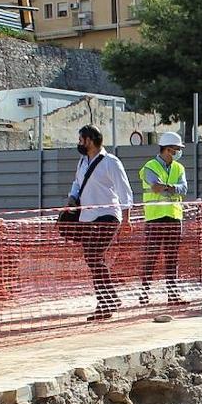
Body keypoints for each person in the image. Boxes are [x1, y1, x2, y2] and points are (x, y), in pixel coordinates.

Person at [66, 125, 134, 321]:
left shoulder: (111, 162)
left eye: (81, 139)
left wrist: (126, 218)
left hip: (107, 215)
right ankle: (109, 297)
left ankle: (106, 302)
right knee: (92, 258)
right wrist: (72, 197)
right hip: (87, 217)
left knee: (95, 255)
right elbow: (77, 183)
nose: (79, 143)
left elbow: (124, 190)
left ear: (90, 140)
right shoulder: (82, 162)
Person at [138, 131, 189, 305]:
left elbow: (184, 188)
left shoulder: (179, 167)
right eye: (176, 149)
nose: (178, 152)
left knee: (172, 258)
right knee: (151, 256)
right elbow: (155, 187)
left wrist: (169, 187)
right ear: (167, 150)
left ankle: (173, 295)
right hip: (155, 217)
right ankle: (144, 292)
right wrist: (172, 188)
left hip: (174, 216)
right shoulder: (149, 167)